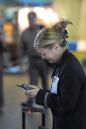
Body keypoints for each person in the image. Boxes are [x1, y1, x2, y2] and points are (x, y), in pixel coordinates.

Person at [25, 19, 86, 129]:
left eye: (44, 53)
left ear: (56, 47)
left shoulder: (70, 69)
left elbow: (66, 103)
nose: (42, 57)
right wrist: (39, 91)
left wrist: (39, 94)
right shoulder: (62, 63)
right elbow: (59, 92)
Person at [21, 11, 49, 106]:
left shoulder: (42, 30)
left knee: (45, 81)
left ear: (35, 19)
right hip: (32, 60)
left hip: (43, 60)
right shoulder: (25, 33)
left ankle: (47, 100)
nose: (31, 21)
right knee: (32, 82)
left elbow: (49, 43)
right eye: (29, 19)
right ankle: (30, 101)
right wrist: (23, 59)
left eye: (32, 19)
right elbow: (23, 47)